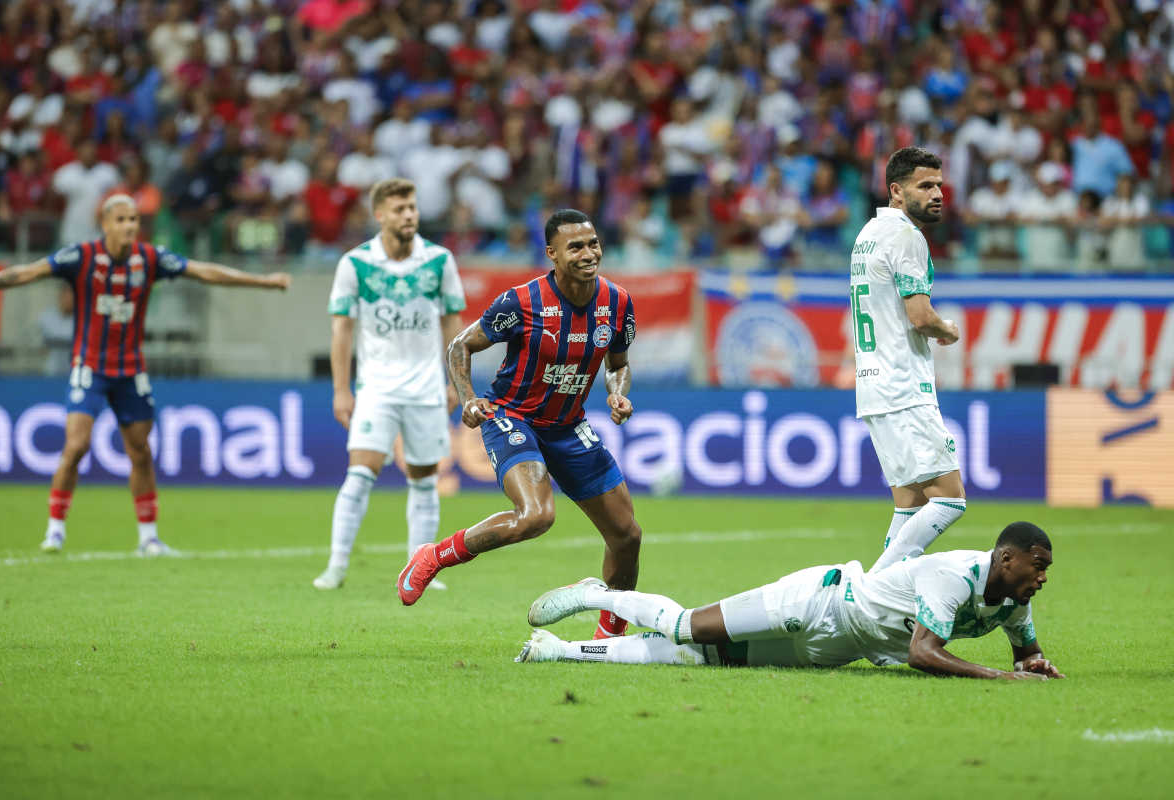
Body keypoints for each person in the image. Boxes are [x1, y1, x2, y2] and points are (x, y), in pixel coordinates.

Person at [0, 194, 291, 555]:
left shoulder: (150, 259)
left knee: (140, 451)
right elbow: (23, 273)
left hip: (130, 371)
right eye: (121, 219)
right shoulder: (81, 257)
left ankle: (149, 538)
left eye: (134, 220)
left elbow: (204, 272)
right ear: (105, 224)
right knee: (76, 446)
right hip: (90, 368)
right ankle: (55, 531)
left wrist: (264, 281)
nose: (129, 226)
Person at [398, 209, 641, 643]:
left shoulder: (617, 303)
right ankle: (434, 556)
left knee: (627, 535)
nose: (589, 253)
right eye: (576, 247)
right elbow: (460, 345)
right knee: (536, 516)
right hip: (513, 417)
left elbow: (617, 364)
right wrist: (469, 399)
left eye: (593, 243)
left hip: (568, 425)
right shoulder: (522, 302)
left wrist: (617, 393)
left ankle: (609, 636)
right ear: (552, 254)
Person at [519, 521, 1064, 681]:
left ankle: (558, 651)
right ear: (1005, 558)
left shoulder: (1014, 603)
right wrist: (999, 678)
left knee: (701, 659)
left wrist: (1033, 663)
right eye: (1036, 565)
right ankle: (596, 594)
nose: (1041, 577)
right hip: (820, 600)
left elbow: (1027, 654)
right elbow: (924, 653)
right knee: (688, 629)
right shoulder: (953, 576)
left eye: (1045, 569)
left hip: (835, 650)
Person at [314, 178, 467, 590]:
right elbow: (342, 330)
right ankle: (336, 566)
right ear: (379, 215)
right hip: (376, 389)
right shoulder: (356, 263)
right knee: (360, 474)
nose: (409, 215)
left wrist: (456, 381)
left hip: (427, 389)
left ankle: (420, 570)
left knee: (425, 480)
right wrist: (341, 389)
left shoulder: (439, 261)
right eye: (399, 209)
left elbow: (452, 324)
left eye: (412, 207)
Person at [849, 147, 965, 573]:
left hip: (874, 385)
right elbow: (920, 316)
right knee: (950, 498)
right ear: (896, 191)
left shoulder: (868, 234)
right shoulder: (906, 237)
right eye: (925, 185)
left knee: (910, 504)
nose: (937, 194)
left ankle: (875, 592)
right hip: (903, 387)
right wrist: (947, 329)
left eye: (939, 185)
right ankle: (869, 591)